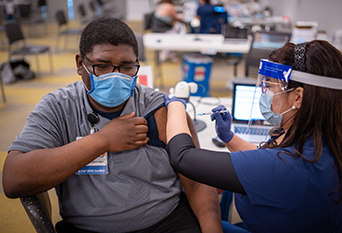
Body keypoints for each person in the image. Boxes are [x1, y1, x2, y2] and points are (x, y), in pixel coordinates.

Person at [2, 17, 223, 233]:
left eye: (127, 67)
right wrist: (102, 141)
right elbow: (13, 180)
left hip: (167, 221)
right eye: (103, 66)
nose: (116, 76)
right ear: (81, 64)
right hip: (88, 227)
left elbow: (197, 183)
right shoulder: (59, 108)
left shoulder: (159, 109)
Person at [163, 40, 342, 232]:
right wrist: (229, 137)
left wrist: (177, 106)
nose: (264, 93)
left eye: (270, 86)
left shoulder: (290, 167)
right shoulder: (323, 142)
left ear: (298, 97)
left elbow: (182, 157)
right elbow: (262, 161)